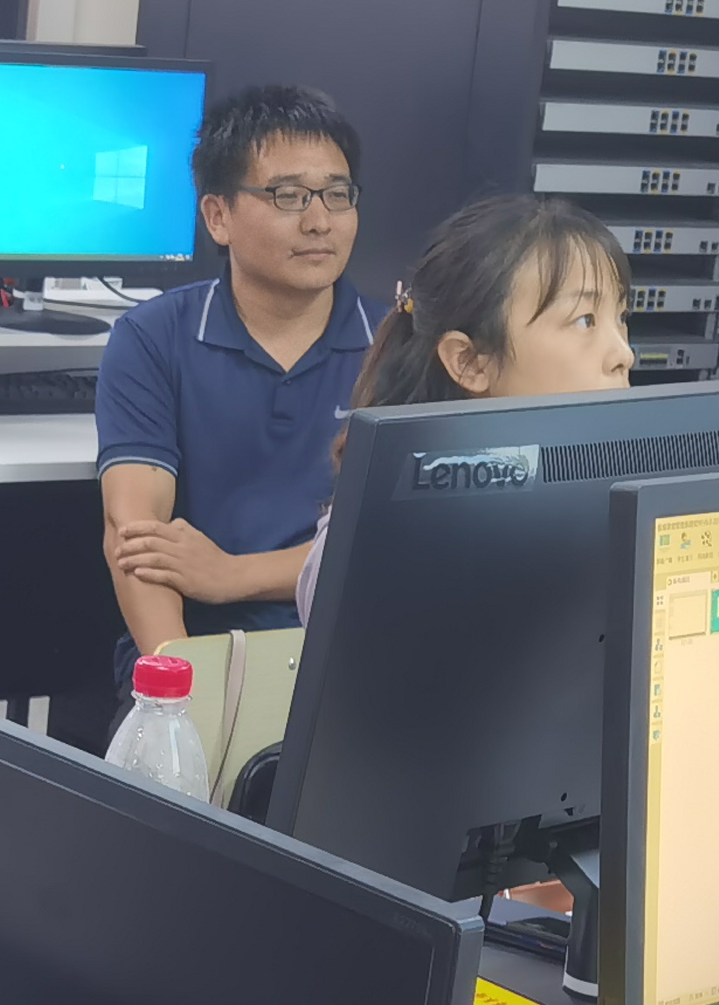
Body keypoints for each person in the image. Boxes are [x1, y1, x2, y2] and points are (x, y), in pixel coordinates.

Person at [94, 83, 380, 680]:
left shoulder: (394, 345)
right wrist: (182, 690)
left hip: (350, 654)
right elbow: (134, 536)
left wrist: (231, 574)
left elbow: (392, 545)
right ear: (218, 216)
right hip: (200, 648)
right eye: (288, 196)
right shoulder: (153, 337)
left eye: (337, 195)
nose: (320, 222)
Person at [299, 191, 635, 621]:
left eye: (621, 317)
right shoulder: (375, 540)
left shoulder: (621, 499)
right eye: (584, 320)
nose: (623, 353)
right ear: (470, 362)